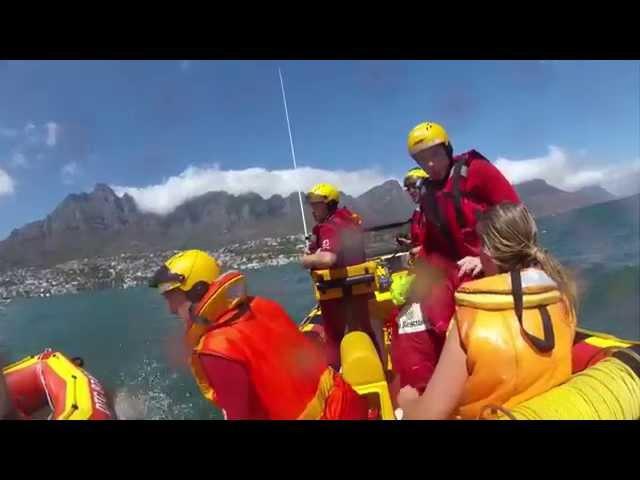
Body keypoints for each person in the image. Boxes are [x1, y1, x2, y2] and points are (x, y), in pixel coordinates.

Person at [396, 203, 577, 419]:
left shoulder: (471, 317)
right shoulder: (562, 299)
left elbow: (427, 417)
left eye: (480, 244)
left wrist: (408, 403)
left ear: (489, 253)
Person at [150, 249, 369, 420]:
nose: (170, 309)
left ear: (196, 291)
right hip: (347, 403)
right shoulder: (264, 305)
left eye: (172, 297)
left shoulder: (216, 349)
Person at [393, 121, 522, 389]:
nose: (429, 164)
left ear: (448, 149)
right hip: (452, 276)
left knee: (465, 329)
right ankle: (426, 395)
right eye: (421, 159)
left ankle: (482, 381)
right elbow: (431, 247)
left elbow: (515, 215)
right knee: (408, 322)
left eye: (434, 156)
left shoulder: (477, 172)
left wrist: (488, 257)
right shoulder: (428, 193)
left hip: (489, 268)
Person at [301, 183, 378, 369]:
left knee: (334, 338)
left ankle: (336, 377)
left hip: (337, 294)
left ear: (329, 204)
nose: (313, 209)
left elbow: (328, 258)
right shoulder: (348, 221)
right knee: (365, 331)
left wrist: (305, 260)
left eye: (316, 204)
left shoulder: (328, 227)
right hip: (357, 291)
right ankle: (377, 366)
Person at [396, 167, 429, 258]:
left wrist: (422, 250)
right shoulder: (418, 213)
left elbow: (449, 241)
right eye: (408, 188)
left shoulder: (439, 209)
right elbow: (422, 240)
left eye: (414, 186)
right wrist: (408, 242)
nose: (411, 191)